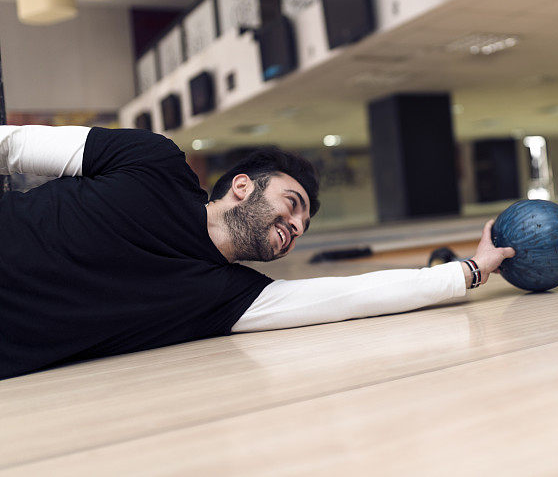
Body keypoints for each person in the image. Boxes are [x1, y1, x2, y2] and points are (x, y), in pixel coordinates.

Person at [0, 125, 514, 380]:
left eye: (302, 226)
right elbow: (15, 145)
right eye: (292, 206)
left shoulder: (230, 299)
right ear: (243, 186)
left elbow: (352, 294)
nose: (294, 227)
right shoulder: (152, 163)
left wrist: (468, 272)